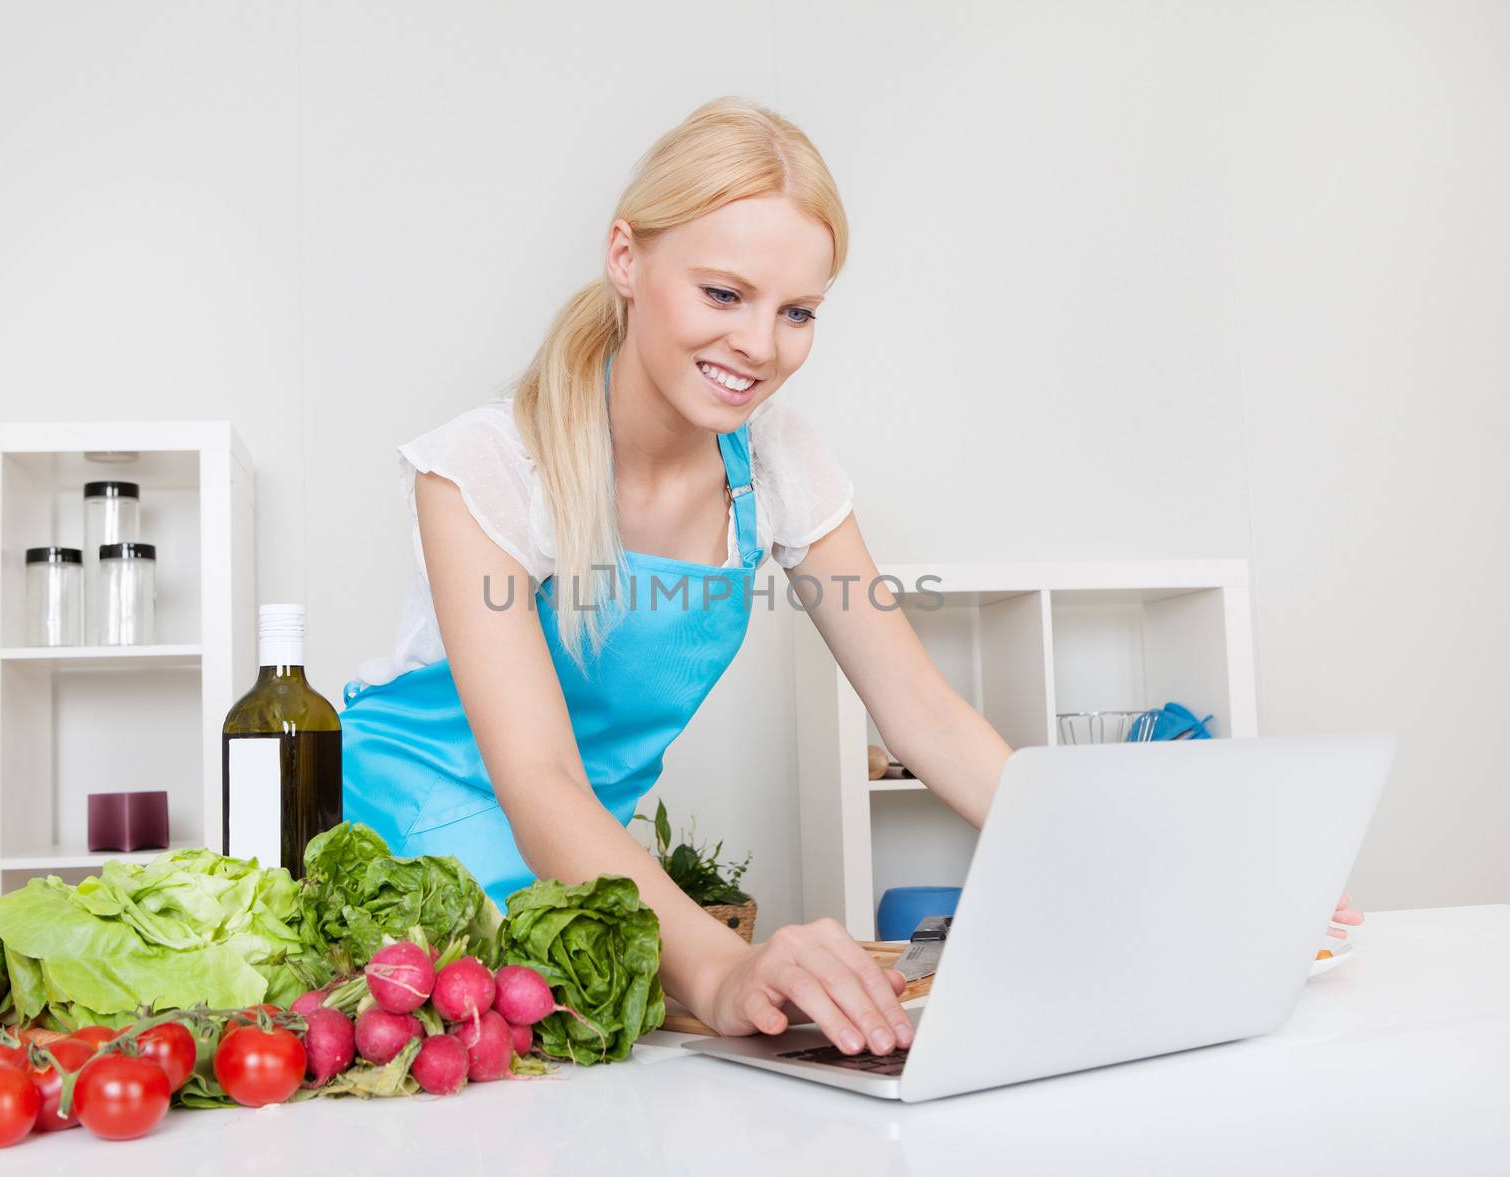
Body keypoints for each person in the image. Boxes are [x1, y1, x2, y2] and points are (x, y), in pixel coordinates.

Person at [340, 96, 1364, 1060]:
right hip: (409, 892)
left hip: (601, 893)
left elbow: (920, 709)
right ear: (624, 257)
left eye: (797, 312)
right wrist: (721, 965)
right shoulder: (481, 467)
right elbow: (541, 781)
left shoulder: (775, 462)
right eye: (723, 294)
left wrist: (1173, 879)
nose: (758, 346)